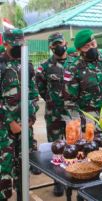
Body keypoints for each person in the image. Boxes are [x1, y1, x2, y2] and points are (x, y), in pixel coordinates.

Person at [63, 29, 102, 151]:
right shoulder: (73, 67)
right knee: (93, 157)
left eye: (93, 44)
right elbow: (70, 102)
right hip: (90, 121)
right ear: (79, 50)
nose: (91, 48)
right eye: (86, 47)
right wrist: (77, 127)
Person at [0, 29, 39, 201]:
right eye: (14, 44)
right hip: (4, 130)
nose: (18, 47)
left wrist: (30, 119)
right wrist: (10, 122)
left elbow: (34, 94)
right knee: (5, 172)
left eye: (20, 43)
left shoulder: (26, 64)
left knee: (24, 167)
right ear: (6, 44)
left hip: (25, 127)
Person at [35, 32, 71, 196]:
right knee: (56, 148)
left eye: (59, 43)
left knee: (74, 146)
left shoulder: (76, 62)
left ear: (65, 42)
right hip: (54, 113)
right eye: (54, 45)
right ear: (51, 47)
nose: (58, 46)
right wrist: (50, 99)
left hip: (73, 114)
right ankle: (58, 182)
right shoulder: (45, 66)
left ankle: (74, 176)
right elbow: (40, 86)